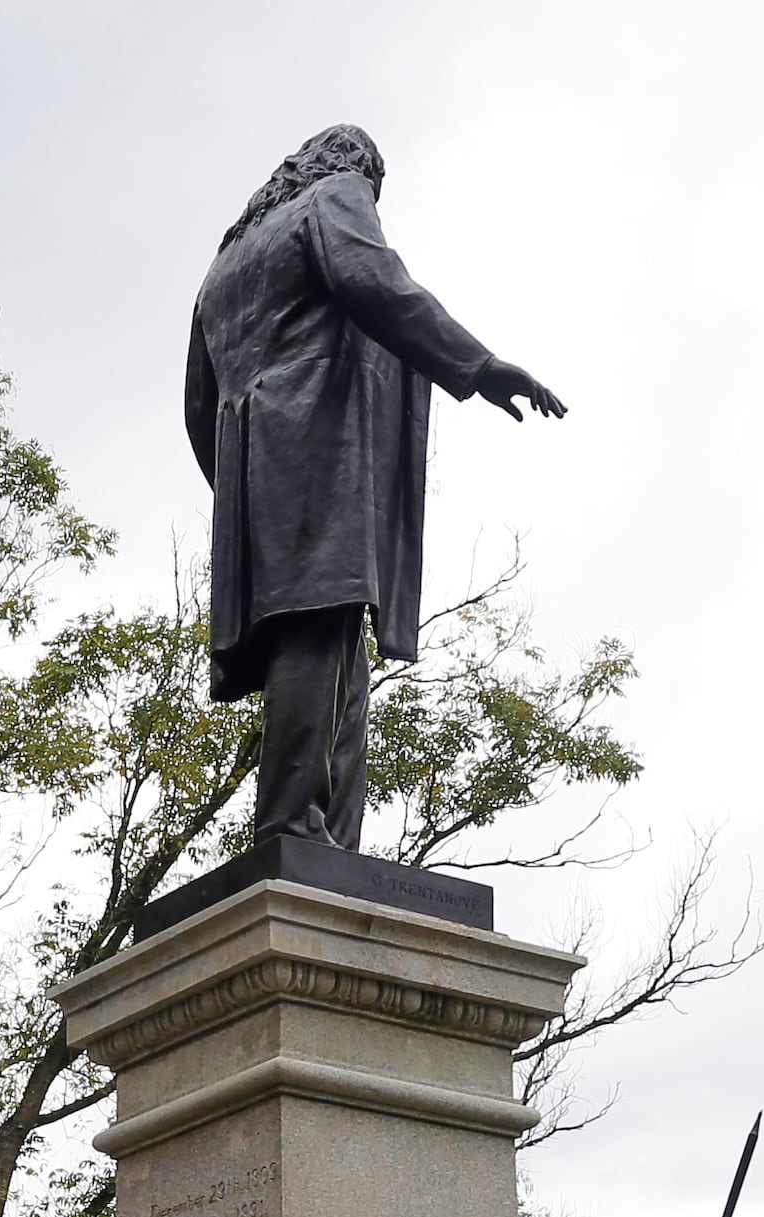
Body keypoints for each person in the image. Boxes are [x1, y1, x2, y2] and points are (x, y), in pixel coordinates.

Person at [185, 125, 565, 848]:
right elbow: (375, 281)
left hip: (253, 470)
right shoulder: (334, 195)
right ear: (353, 167)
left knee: (336, 642)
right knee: (319, 624)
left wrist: (244, 488)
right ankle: (293, 826)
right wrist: (478, 367)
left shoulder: (222, 267)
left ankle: (331, 837)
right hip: (318, 444)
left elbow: (197, 404)